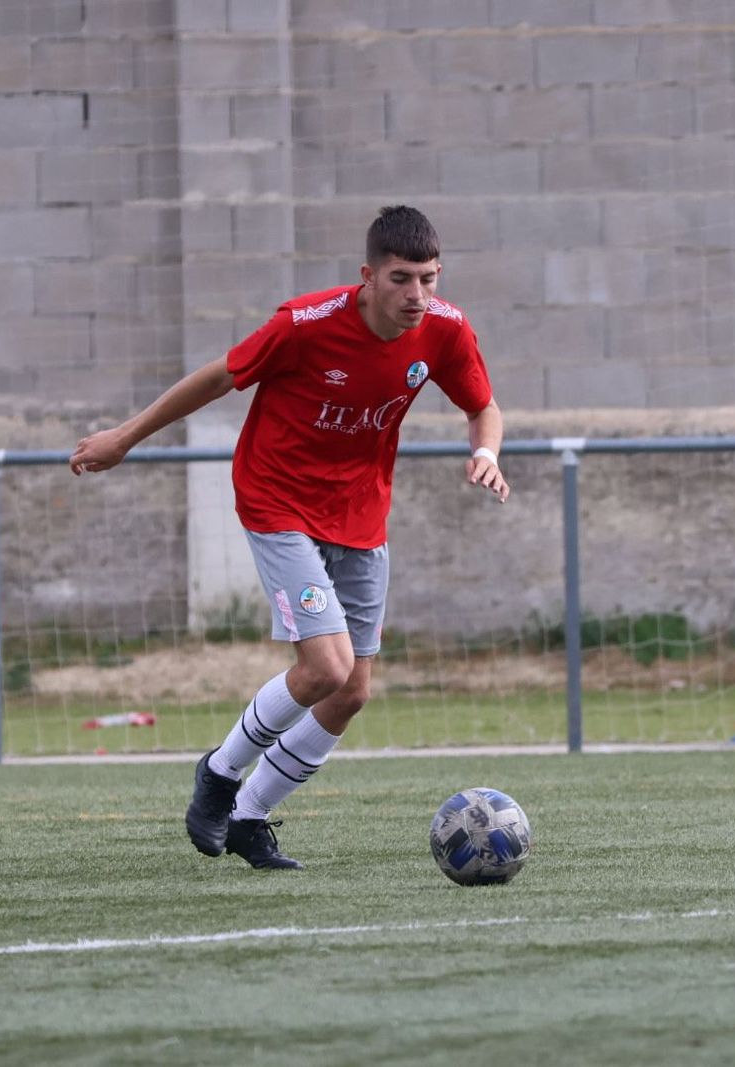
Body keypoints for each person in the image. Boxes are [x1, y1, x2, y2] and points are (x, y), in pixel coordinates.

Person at [69, 206, 508, 867]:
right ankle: (219, 774)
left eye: (429, 278)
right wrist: (124, 438)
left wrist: (488, 451)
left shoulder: (444, 330)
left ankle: (250, 816)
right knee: (324, 668)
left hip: (360, 513)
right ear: (368, 276)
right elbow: (218, 376)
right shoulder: (304, 325)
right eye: (401, 278)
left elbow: (483, 406)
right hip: (279, 502)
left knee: (353, 690)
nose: (417, 294)